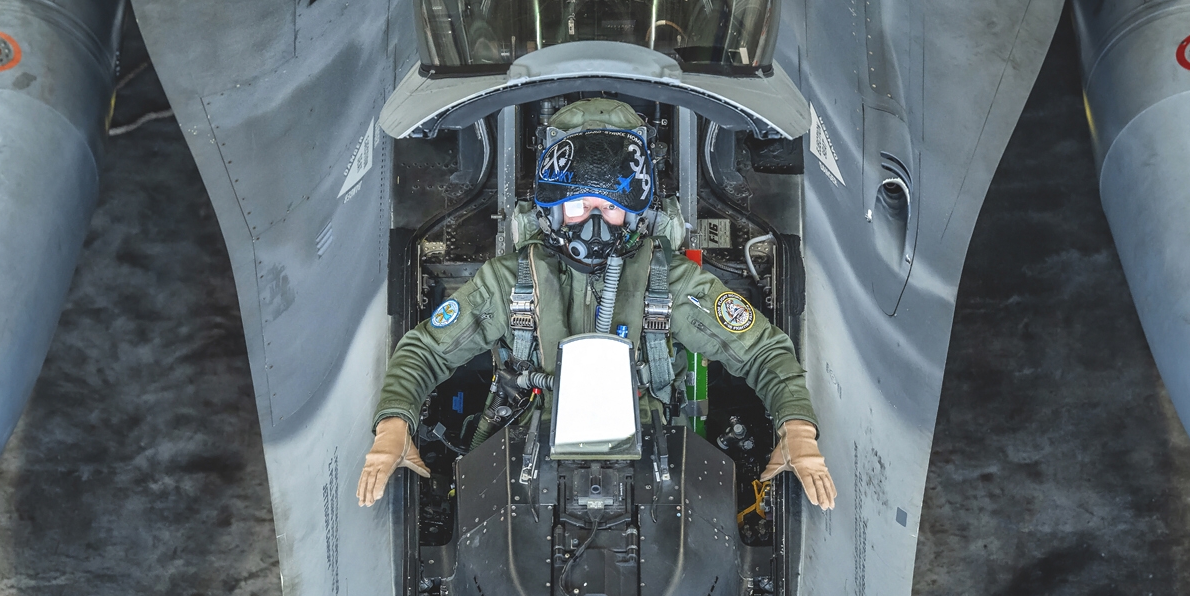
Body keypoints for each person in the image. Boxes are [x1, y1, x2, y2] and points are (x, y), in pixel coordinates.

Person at [358, 98, 836, 510]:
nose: (593, 223)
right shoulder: (512, 281)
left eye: (609, 207)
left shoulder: (667, 280)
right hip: (527, 446)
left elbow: (763, 350)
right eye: (579, 205)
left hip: (651, 454)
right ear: (552, 209)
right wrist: (394, 424)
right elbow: (425, 350)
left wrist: (796, 429)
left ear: (636, 210)